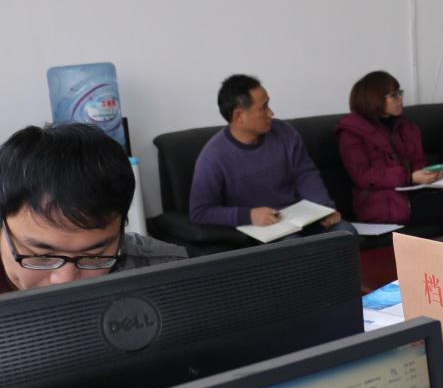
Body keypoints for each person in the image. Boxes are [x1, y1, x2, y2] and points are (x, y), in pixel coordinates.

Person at [1, 124, 186, 292]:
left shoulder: (166, 275)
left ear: (121, 232)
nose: (66, 280)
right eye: (41, 256)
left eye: (93, 256)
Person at [189, 75, 356, 238]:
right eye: (263, 108)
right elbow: (200, 212)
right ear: (239, 116)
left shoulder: (284, 131)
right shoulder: (213, 156)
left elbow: (305, 174)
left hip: (300, 218)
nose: (271, 113)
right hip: (261, 229)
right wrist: (248, 215)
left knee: (345, 232)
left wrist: (324, 208)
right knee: (293, 246)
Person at [335, 71, 443, 234]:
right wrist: (409, 177)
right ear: (374, 99)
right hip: (381, 201)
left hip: (413, 191)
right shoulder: (352, 132)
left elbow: (418, 162)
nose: (400, 99)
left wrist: (431, 175)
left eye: (400, 93)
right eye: (394, 95)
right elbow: (363, 176)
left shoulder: (406, 127)